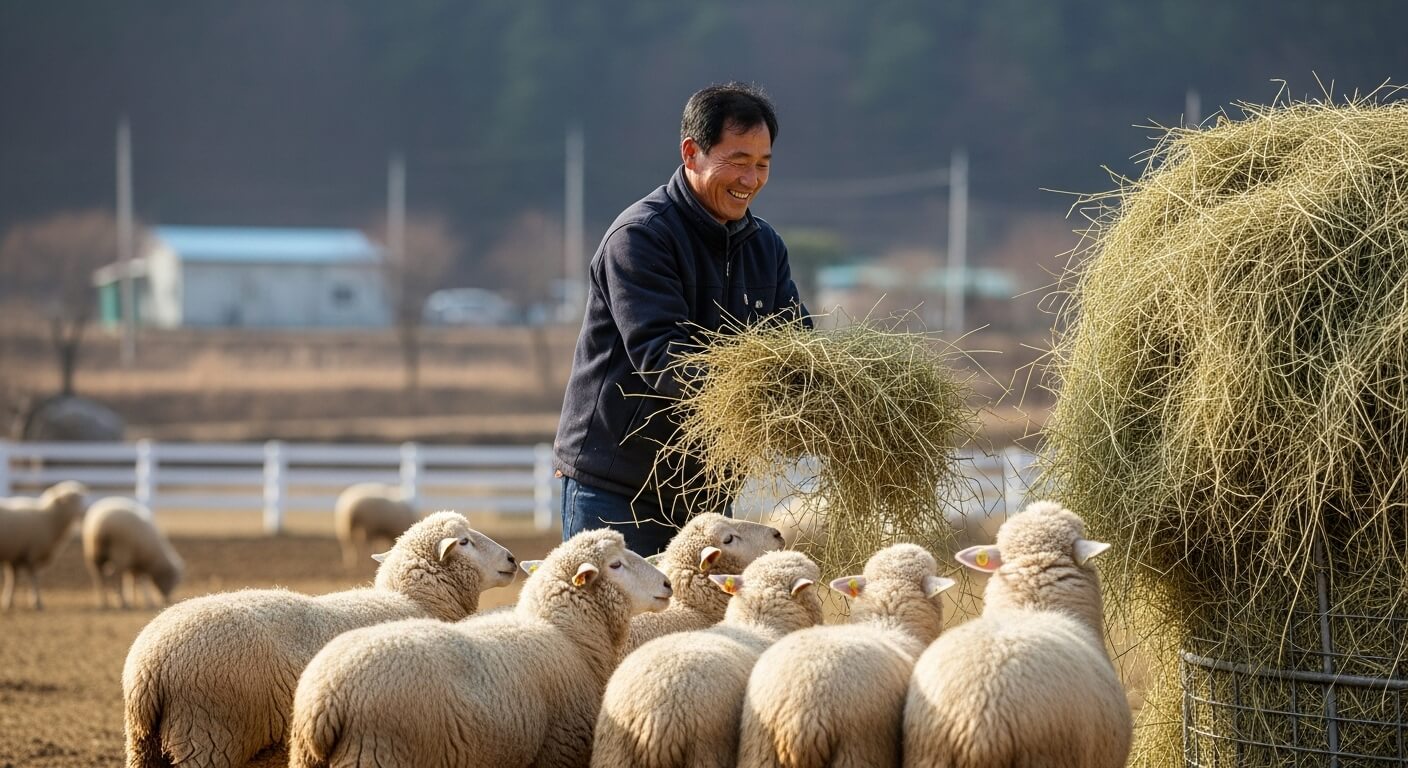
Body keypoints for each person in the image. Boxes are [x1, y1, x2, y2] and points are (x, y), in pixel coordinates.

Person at [553, 82, 809, 556]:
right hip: (618, 488)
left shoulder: (765, 246)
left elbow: (796, 343)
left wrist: (820, 398)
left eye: (763, 164)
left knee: (699, 629)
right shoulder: (641, 238)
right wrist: (752, 392)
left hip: (709, 497)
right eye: (738, 161)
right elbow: (661, 355)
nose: (750, 179)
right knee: (616, 628)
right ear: (692, 153)